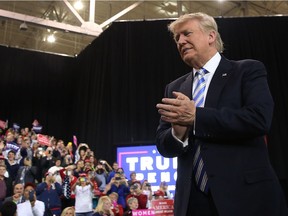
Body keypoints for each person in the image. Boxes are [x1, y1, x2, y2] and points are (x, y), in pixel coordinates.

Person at [156, 12, 288, 216]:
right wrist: (177, 133)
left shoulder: (247, 70)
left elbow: (258, 119)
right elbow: (164, 146)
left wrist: (196, 117)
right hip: (192, 201)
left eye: (187, 33)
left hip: (245, 197)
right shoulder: (174, 88)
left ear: (211, 36)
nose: (181, 41)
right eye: (177, 38)